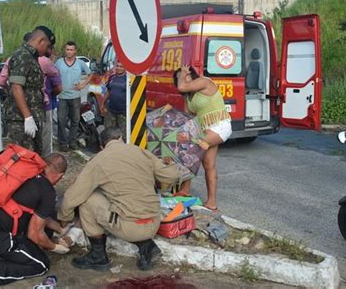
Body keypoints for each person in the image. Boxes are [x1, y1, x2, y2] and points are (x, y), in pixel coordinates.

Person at [58, 127, 179, 271]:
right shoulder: (140, 151)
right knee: (124, 200)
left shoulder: (99, 160)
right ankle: (147, 247)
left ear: (102, 146)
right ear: (121, 138)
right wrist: (170, 163)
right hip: (154, 222)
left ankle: (98, 257)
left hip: (130, 228)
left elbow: (72, 197)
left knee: (87, 199)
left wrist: (64, 220)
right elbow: (171, 176)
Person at [0, 153, 70, 288]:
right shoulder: (47, 191)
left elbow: (33, 212)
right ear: (60, 176)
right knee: (40, 264)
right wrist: (55, 247)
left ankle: (17, 252)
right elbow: (34, 234)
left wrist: (59, 229)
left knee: (39, 221)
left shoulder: (23, 172)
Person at [173, 65, 232, 212]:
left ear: (193, 75)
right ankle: (211, 203)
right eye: (180, 77)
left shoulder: (205, 82)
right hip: (205, 130)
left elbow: (181, 86)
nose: (184, 80)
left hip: (220, 126)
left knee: (192, 148)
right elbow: (189, 118)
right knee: (208, 164)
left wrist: (182, 77)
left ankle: (185, 189)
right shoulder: (189, 96)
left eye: (186, 75)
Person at [3, 26, 55, 155]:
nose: (47, 50)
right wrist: (28, 117)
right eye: (47, 45)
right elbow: (16, 87)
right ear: (41, 41)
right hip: (20, 120)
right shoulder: (23, 56)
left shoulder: (32, 57)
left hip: (31, 117)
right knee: (23, 159)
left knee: (34, 158)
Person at [55, 41, 92, 151]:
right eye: (67, 49)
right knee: (61, 120)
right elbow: (53, 75)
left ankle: (72, 141)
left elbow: (90, 75)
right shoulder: (59, 62)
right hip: (62, 97)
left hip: (75, 96)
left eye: (71, 50)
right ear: (65, 50)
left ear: (75, 51)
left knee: (75, 121)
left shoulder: (80, 63)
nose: (69, 52)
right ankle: (62, 143)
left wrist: (83, 84)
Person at [39, 46, 62, 156]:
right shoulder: (49, 65)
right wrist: (50, 94)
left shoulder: (25, 61)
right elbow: (58, 88)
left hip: (27, 107)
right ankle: (46, 161)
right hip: (46, 105)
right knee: (46, 136)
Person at [100, 60, 126, 138]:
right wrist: (102, 103)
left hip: (123, 112)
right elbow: (108, 91)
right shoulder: (112, 77)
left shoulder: (128, 79)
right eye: (117, 66)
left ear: (125, 68)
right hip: (111, 111)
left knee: (123, 135)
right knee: (109, 133)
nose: (119, 68)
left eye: (121, 66)